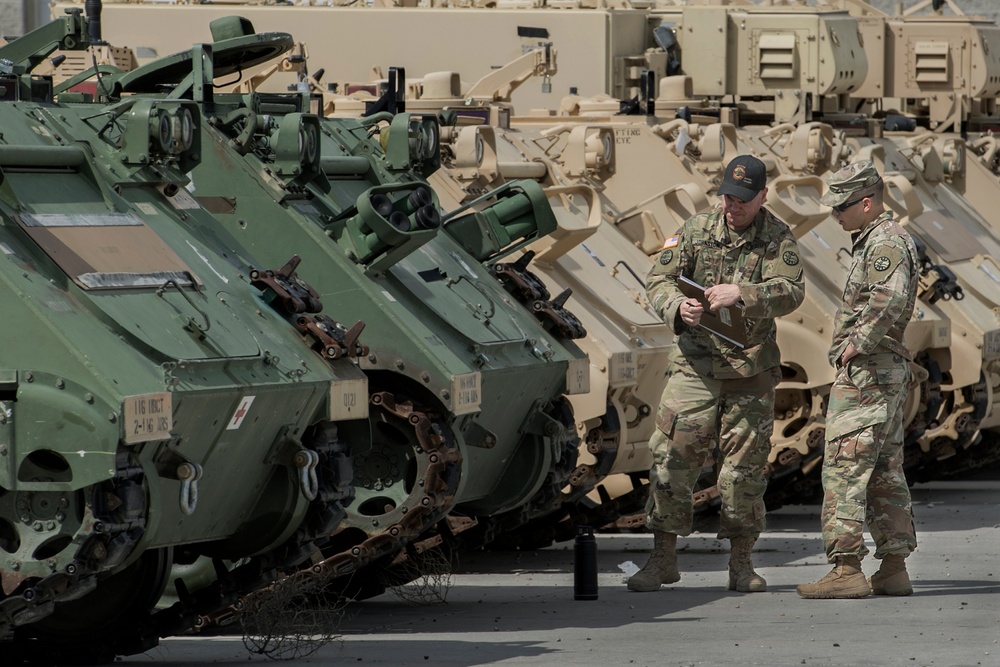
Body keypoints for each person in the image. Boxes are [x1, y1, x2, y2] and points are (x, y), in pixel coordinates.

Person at [628, 154, 805, 593]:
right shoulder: (695, 231)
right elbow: (658, 280)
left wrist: (742, 294)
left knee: (743, 470)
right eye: (728, 197)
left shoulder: (777, 237)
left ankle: (741, 564)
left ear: (763, 196)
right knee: (671, 459)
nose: (734, 206)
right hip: (695, 366)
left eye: (743, 199)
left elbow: (792, 291)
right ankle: (663, 558)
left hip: (750, 370)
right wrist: (676, 307)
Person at [796, 159, 918, 599]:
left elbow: (890, 297)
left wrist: (856, 343)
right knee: (884, 469)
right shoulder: (876, 239)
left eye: (841, 207)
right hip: (882, 373)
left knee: (845, 468)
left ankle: (846, 569)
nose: (836, 215)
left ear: (866, 204)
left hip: (869, 374)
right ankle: (893, 567)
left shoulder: (884, 241)